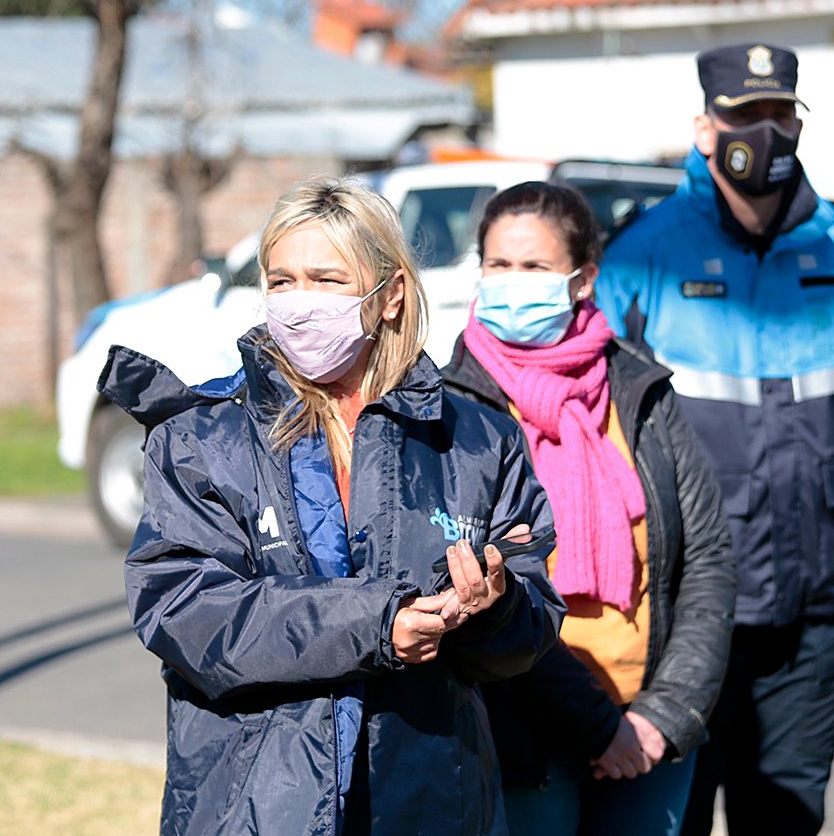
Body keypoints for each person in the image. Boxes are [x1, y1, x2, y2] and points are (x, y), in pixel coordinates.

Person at [113, 177, 565, 835]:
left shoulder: (475, 438)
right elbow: (189, 613)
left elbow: (532, 620)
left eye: (326, 280)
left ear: (390, 296)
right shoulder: (202, 439)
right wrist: (380, 622)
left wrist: (491, 610)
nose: (299, 303)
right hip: (255, 808)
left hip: (430, 800)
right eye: (281, 280)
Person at [595, 43, 834, 836]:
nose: (765, 129)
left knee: (787, 818)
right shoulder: (644, 255)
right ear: (704, 127)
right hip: (687, 621)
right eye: (743, 113)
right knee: (669, 822)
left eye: (780, 113)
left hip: (810, 610)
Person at [442, 182, 735, 836]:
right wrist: (599, 727)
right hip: (519, 739)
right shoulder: (452, 404)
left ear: (582, 279)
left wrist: (667, 714)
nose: (513, 282)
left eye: (536, 267)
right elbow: (481, 602)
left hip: (647, 737)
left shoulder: (640, 390)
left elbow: (708, 559)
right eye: (499, 265)